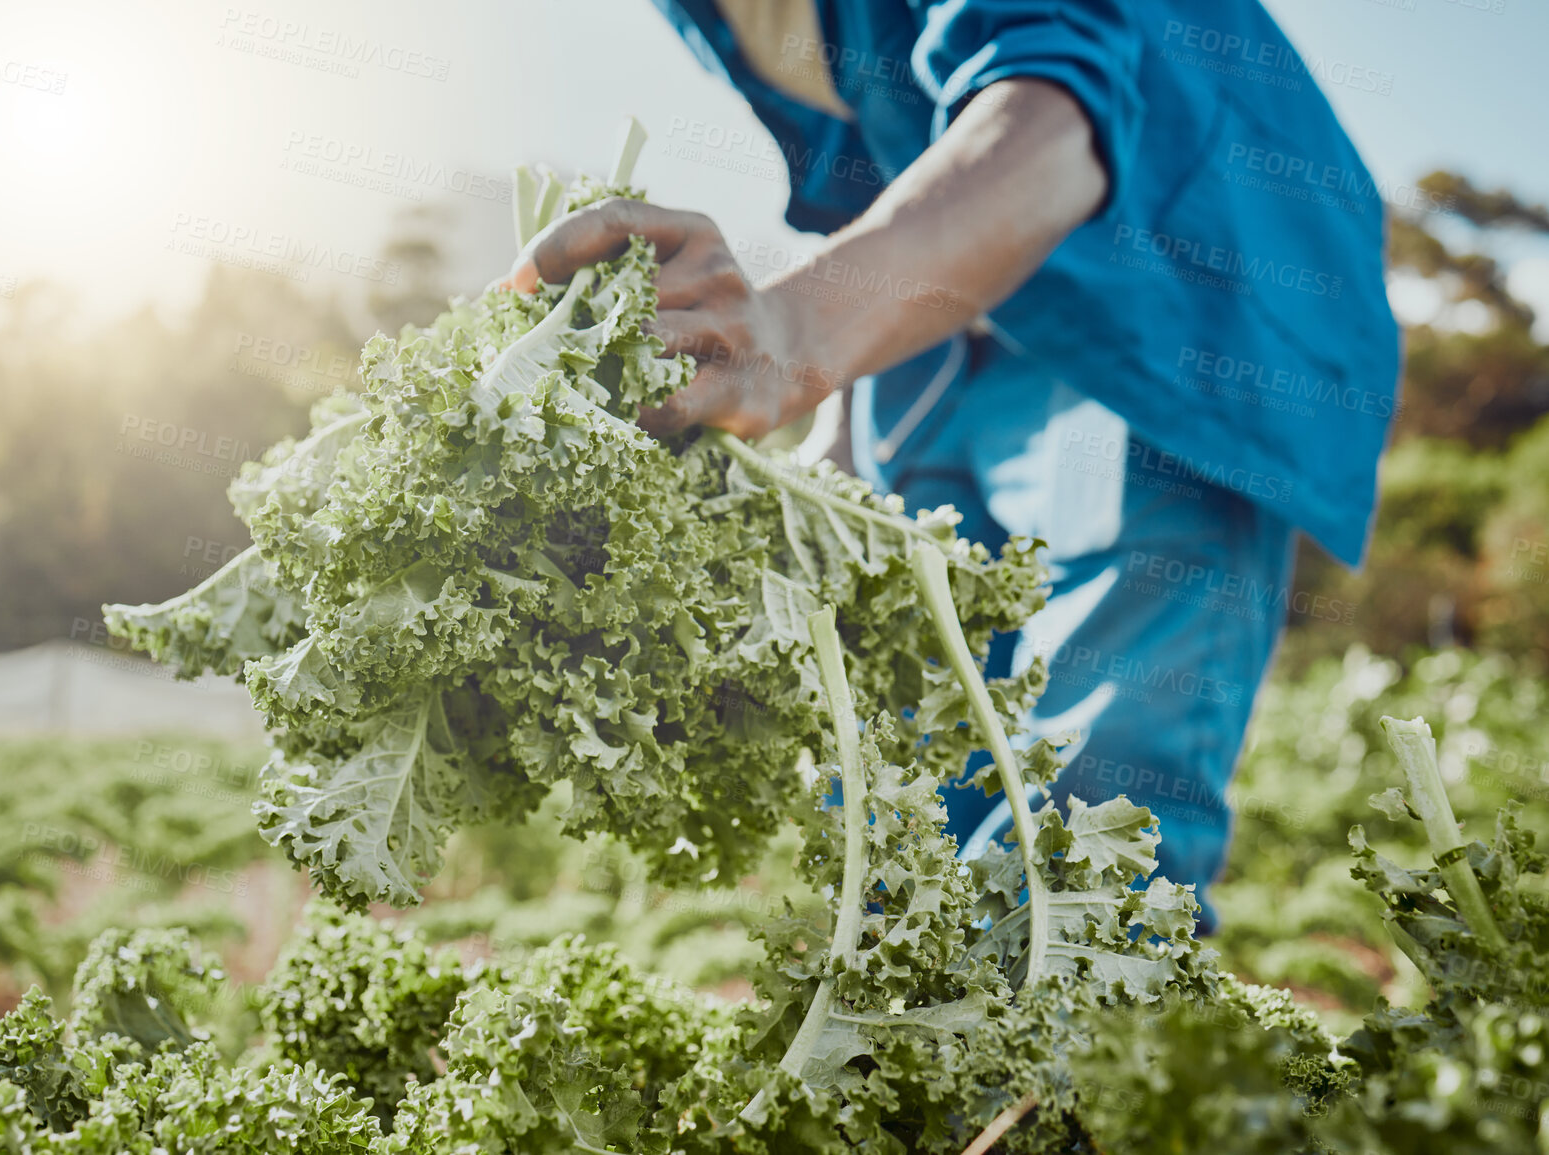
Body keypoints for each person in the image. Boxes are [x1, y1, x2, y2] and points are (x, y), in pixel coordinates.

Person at [499, 0, 1399, 932]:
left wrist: (794, 333)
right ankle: (913, 1057)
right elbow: (874, 184)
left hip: (1166, 294)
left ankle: (1075, 1065)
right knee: (895, 795)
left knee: (1085, 824)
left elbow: (1053, 114)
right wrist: (834, 431)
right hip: (929, 331)